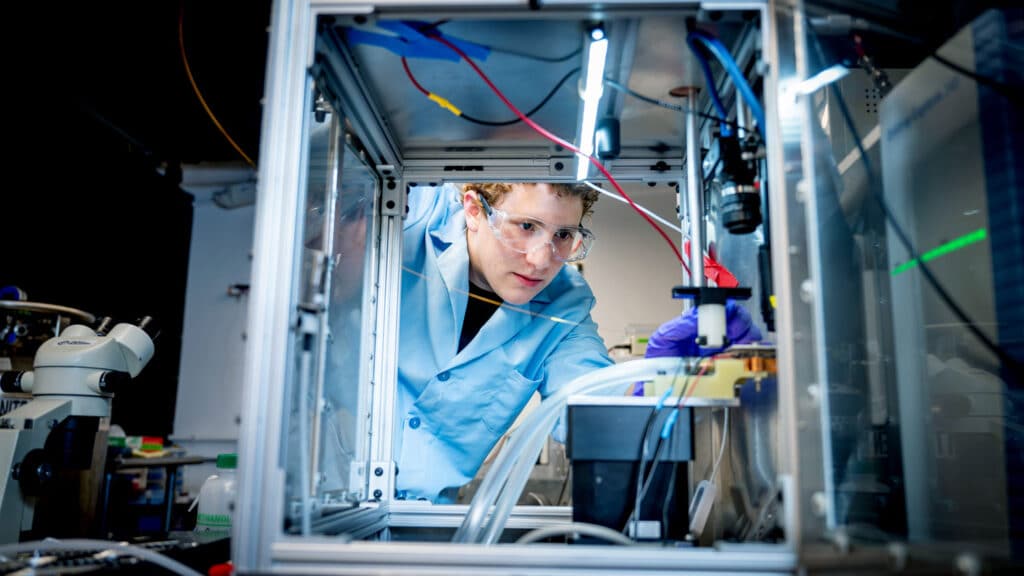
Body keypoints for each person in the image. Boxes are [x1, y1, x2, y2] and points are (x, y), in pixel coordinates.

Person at [395, 182, 613, 502]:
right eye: (526, 226)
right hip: (323, 497)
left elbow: (592, 408)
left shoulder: (565, 304)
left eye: (563, 235)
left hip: (422, 519)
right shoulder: (407, 215)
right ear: (473, 211)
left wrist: (652, 392)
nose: (541, 260)